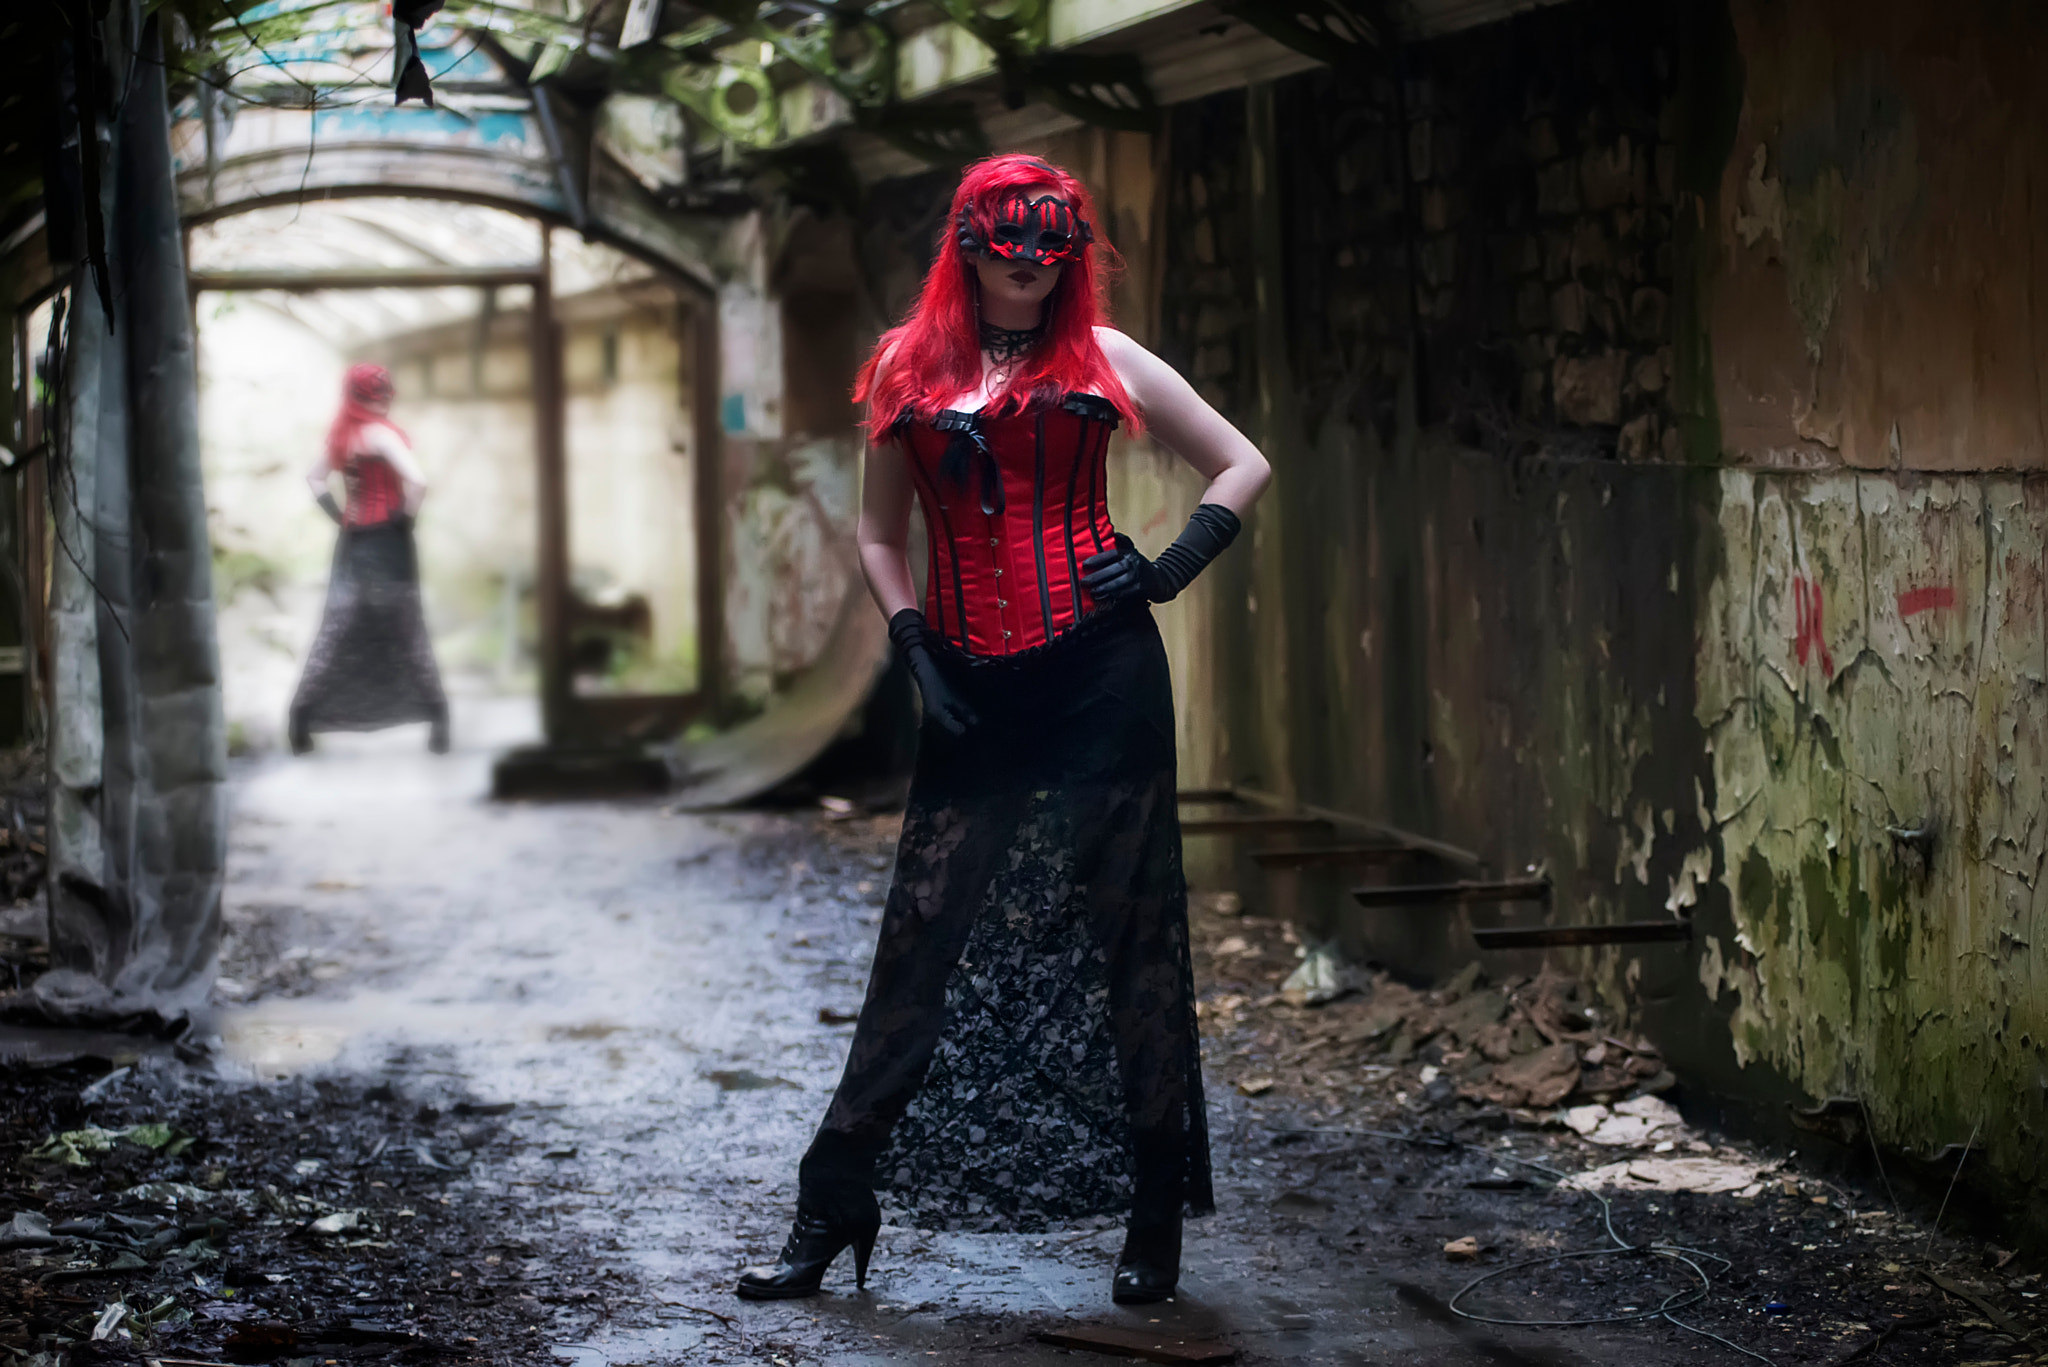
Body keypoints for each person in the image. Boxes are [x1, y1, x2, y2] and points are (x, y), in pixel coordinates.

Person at [736, 154, 1271, 1306]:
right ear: (966, 249)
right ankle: (833, 1201)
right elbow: (883, 535)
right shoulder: (901, 364)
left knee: (1131, 936)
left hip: (1100, 679)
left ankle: (1151, 1215)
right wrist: (916, 645)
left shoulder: (1107, 359)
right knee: (919, 939)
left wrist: (1167, 569)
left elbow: (1241, 462)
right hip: (971, 684)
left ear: (1067, 259)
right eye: (1005, 257)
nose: (1026, 281)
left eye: (1049, 261)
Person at [287, 363, 450, 755]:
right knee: (406, 625)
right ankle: (439, 722)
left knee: (338, 625)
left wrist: (341, 519)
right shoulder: (380, 434)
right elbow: (418, 481)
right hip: (389, 544)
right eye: (380, 394)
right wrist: (404, 519)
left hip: (354, 543)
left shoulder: (343, 436)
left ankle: (300, 721)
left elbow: (314, 479)